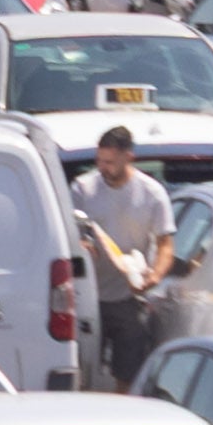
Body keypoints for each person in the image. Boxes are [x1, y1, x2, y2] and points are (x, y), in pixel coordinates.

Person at [70, 126, 175, 377]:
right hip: (87, 296)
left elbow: (165, 244)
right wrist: (80, 244)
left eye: (110, 162)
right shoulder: (82, 189)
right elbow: (70, 233)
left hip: (130, 297)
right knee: (83, 373)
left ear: (128, 157)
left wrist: (155, 276)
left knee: (129, 373)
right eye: (99, 161)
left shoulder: (152, 194)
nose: (103, 167)